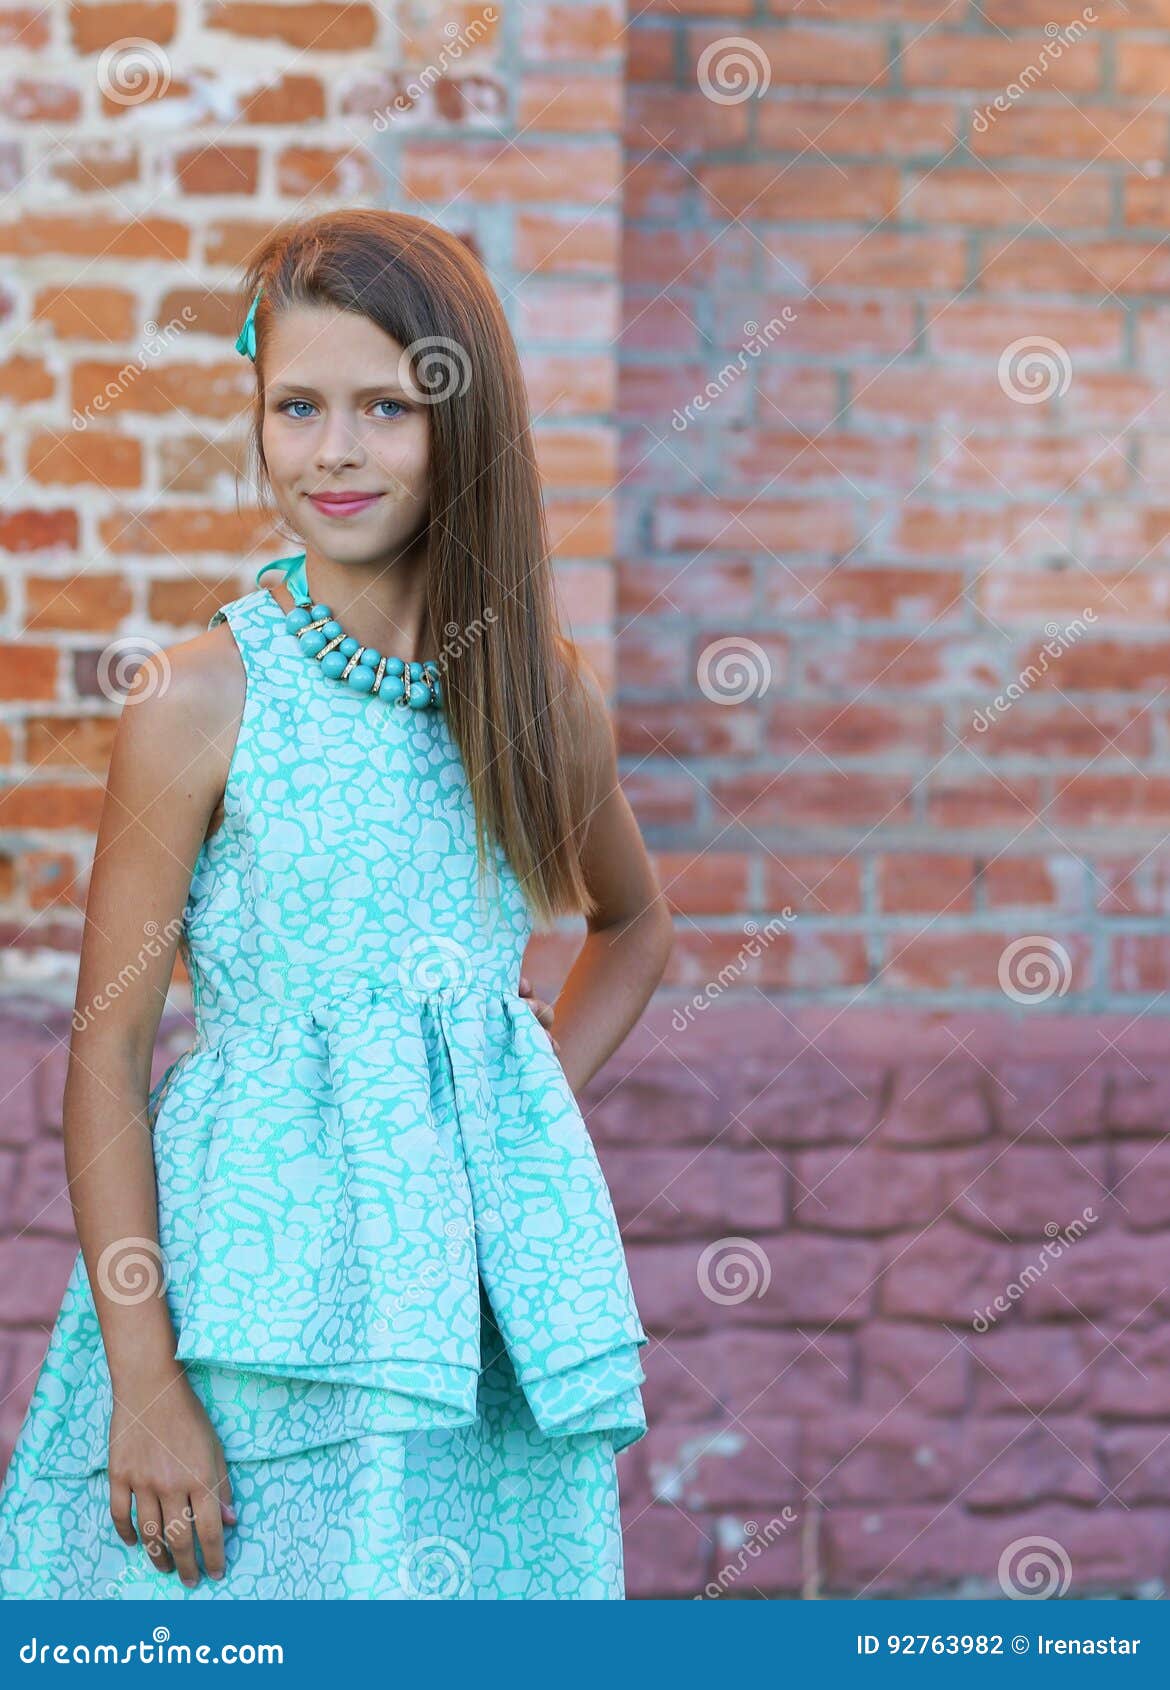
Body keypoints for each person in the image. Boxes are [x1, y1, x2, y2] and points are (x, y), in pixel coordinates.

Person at [0, 208, 674, 1599]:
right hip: (245, 1311)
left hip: (471, 1320)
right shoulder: (199, 700)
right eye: (296, 405)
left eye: (384, 406)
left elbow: (633, 926)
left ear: (461, 422)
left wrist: (509, 1092)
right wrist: (145, 1379)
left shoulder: (535, 694)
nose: (335, 449)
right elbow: (109, 1059)